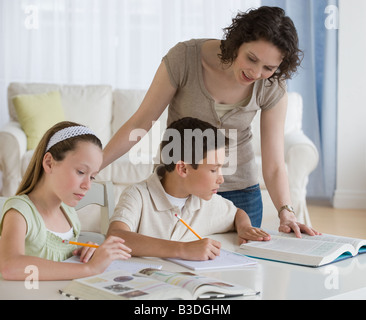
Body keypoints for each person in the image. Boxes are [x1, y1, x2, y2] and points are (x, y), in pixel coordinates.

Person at [102, 6, 319, 237]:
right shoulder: (185, 59)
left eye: (268, 67)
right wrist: (94, 165)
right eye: (251, 58)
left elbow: (274, 165)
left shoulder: (271, 85)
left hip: (240, 194)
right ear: (237, 42)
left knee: (237, 269)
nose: (255, 73)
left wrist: (286, 212)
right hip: (179, 190)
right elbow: (141, 122)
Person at [107, 117, 271, 261]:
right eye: (214, 170)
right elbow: (116, 236)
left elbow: (237, 214)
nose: (221, 178)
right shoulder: (138, 196)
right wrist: (183, 249)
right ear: (183, 169)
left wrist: (245, 228)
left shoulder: (205, 202)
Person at [0, 121, 131, 281]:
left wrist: (82, 254)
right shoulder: (20, 212)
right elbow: (10, 267)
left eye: (92, 177)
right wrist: (89, 268)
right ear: (49, 163)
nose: (87, 185)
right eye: (81, 171)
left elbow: (60, 263)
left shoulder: (68, 213)